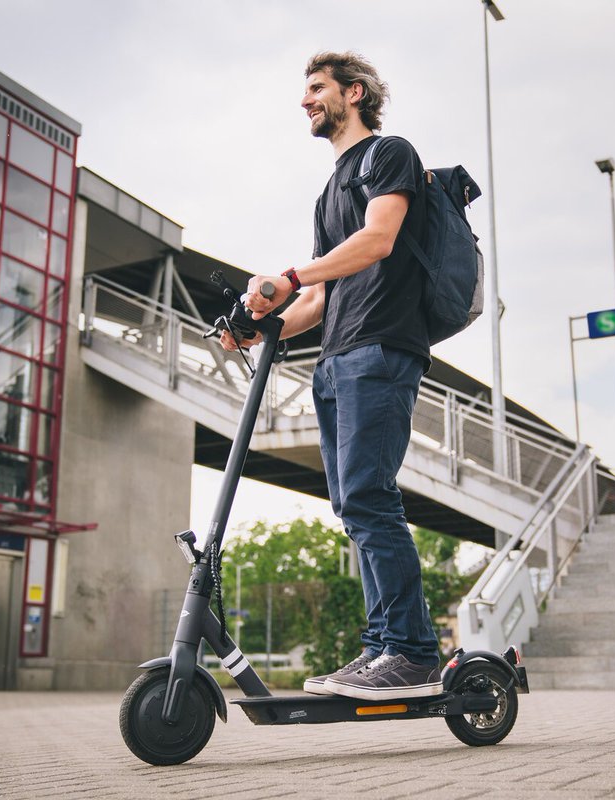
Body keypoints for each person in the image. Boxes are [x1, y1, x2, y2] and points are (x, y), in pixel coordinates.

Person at [220, 51, 440, 700]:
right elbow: (317, 302)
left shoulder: (388, 155)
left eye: (317, 88)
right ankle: (382, 649)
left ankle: (414, 653)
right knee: (353, 505)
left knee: (371, 496)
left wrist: (288, 276)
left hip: (380, 351)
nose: (305, 99)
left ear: (354, 92)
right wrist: (257, 328)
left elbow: (378, 242)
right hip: (337, 359)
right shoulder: (330, 190)